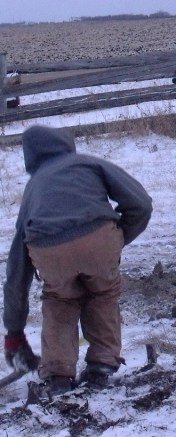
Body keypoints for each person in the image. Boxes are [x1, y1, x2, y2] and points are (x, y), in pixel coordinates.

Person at [3, 124, 152, 396]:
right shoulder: (89, 163)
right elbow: (140, 203)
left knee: (60, 300)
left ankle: (58, 375)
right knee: (104, 293)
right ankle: (101, 365)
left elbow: (17, 268)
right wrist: (116, 240)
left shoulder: (33, 188)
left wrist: (14, 332)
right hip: (99, 239)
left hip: (48, 249)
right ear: (65, 144)